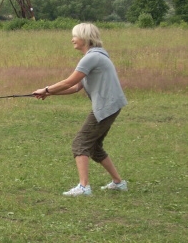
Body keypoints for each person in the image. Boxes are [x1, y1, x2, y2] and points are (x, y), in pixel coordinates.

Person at [32, 23, 128, 197]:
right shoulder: (96, 56)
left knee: (80, 143)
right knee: (94, 147)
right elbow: (76, 87)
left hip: (105, 106)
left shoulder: (91, 58)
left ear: (84, 38)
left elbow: (68, 82)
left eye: (74, 36)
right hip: (111, 105)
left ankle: (84, 187)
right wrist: (50, 94)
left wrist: (46, 89)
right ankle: (118, 183)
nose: (72, 40)